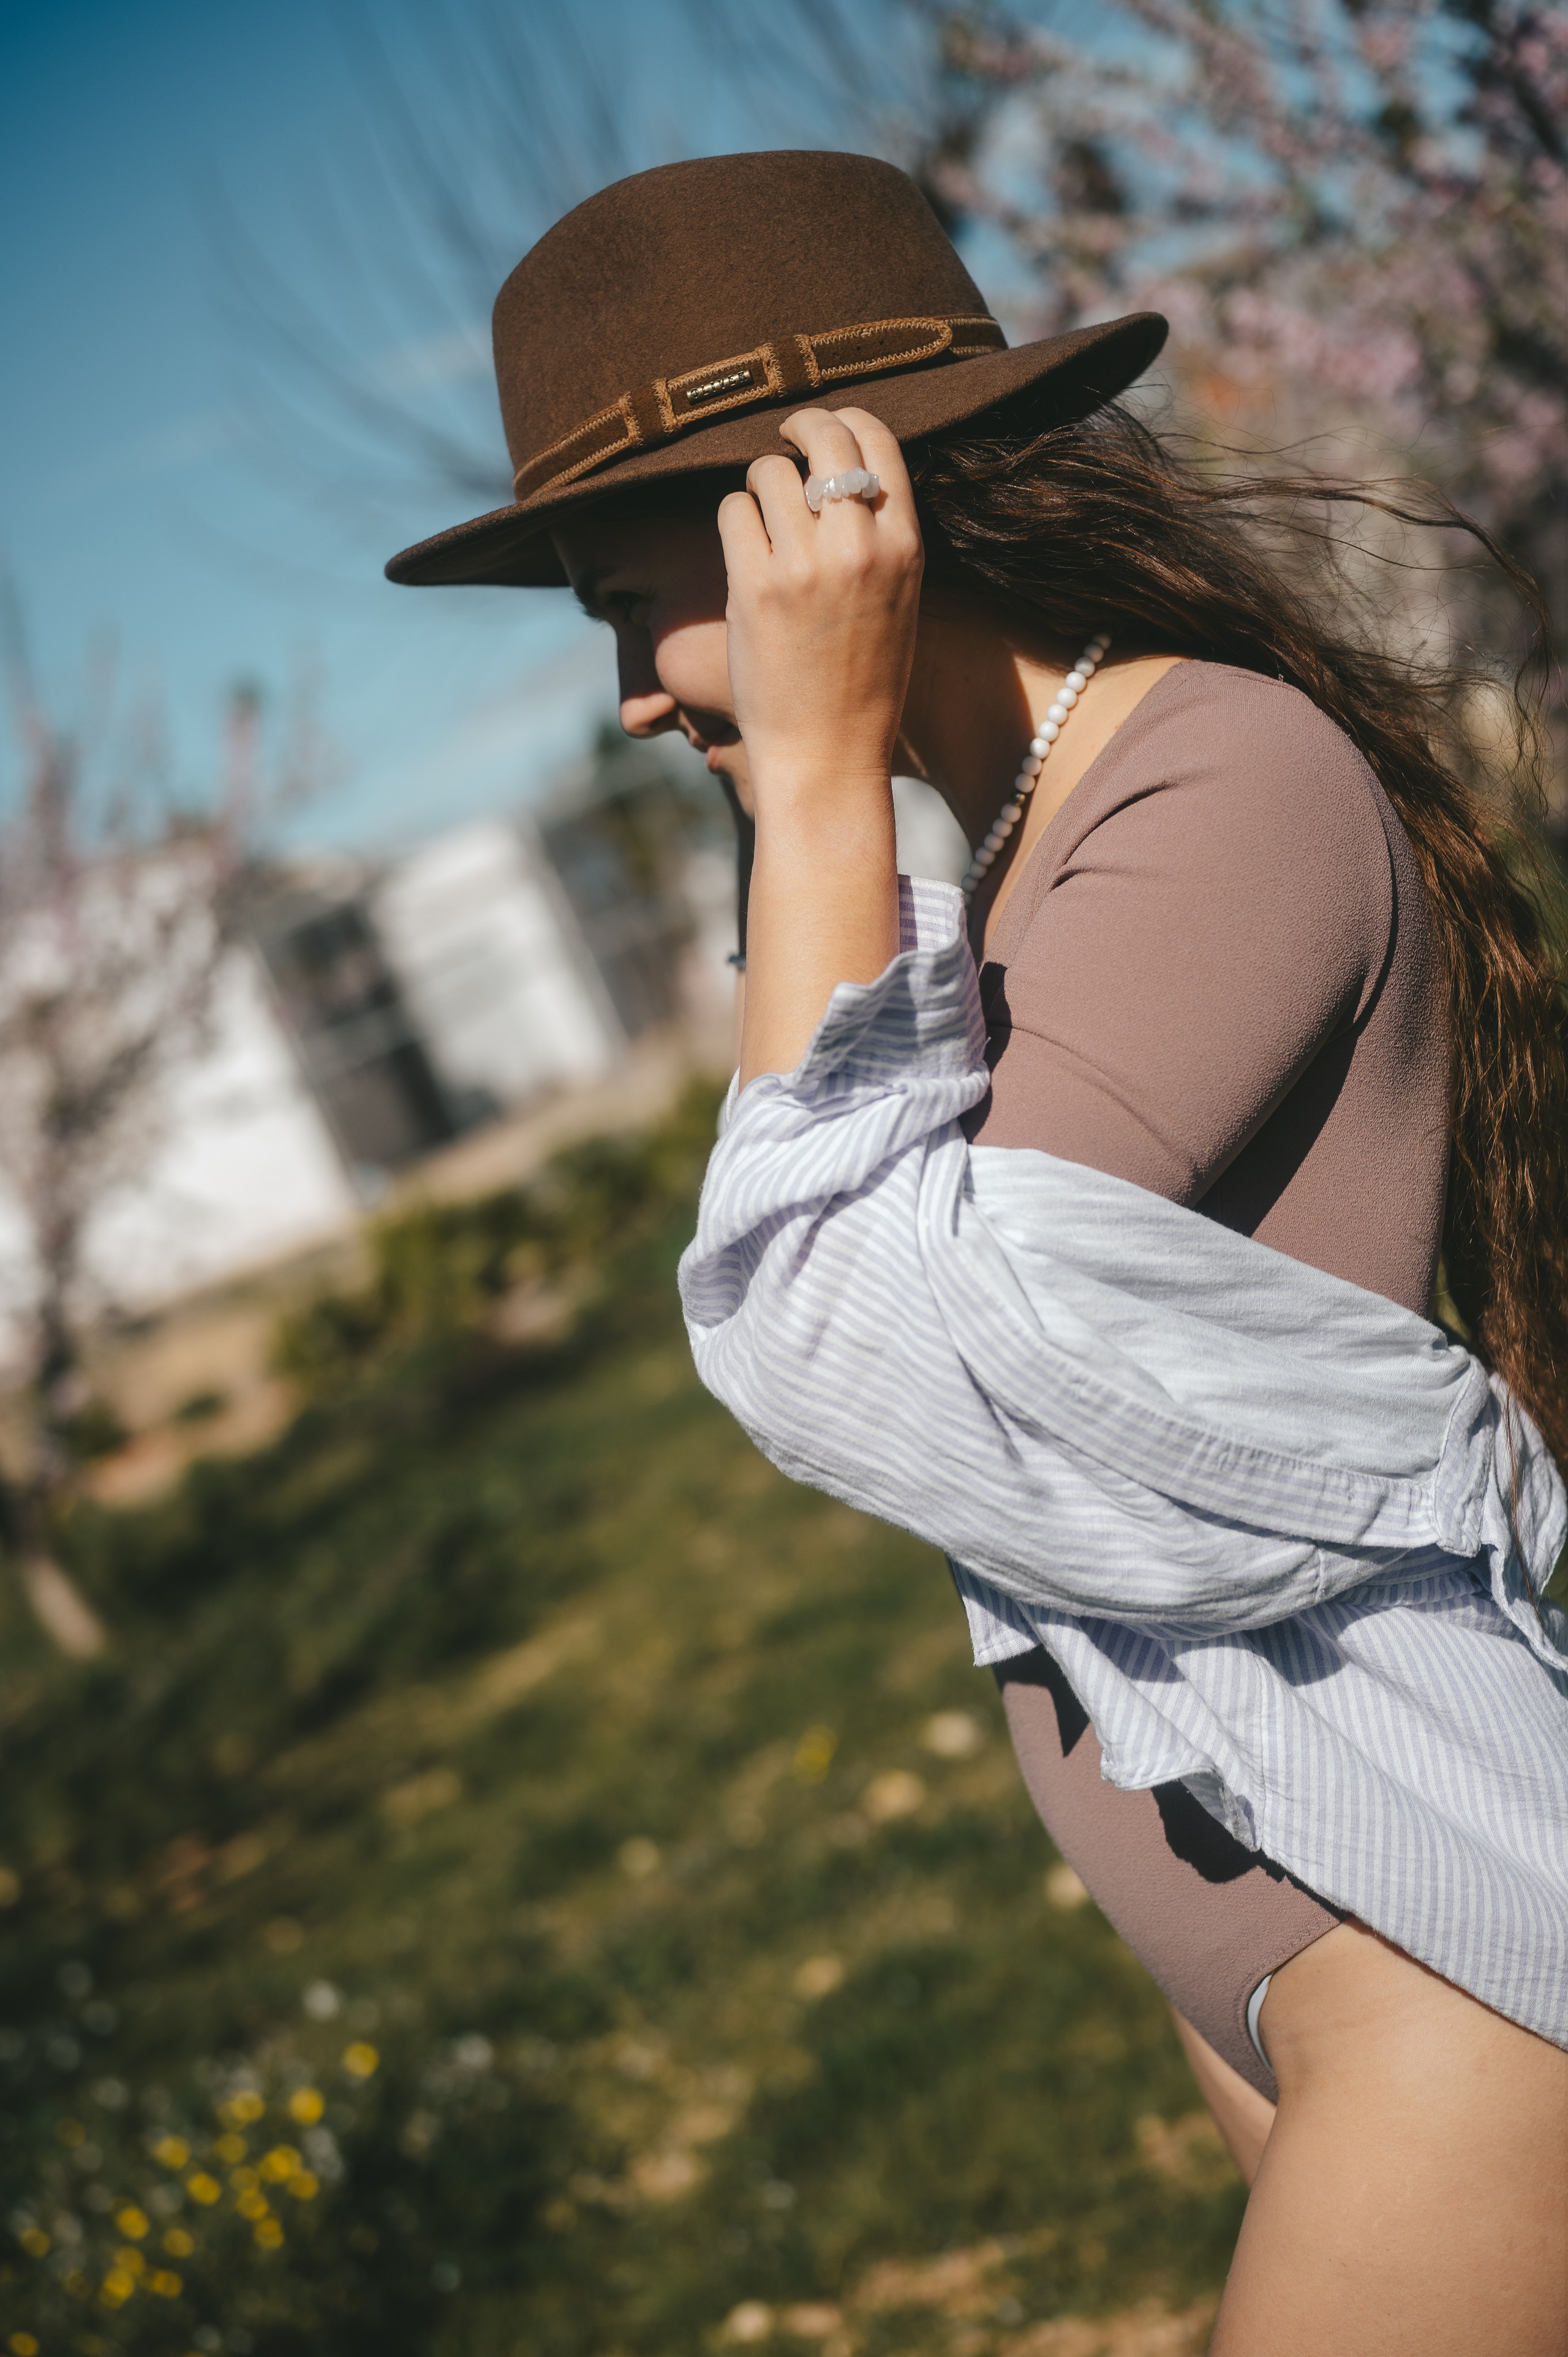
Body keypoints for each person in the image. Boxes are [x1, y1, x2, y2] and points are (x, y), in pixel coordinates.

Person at [387, 150, 1568, 2353]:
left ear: (832, 519)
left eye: (637, 595)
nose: (636, 693)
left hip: (1439, 1966)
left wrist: (824, 785)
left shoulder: (1216, 783)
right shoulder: (978, 858)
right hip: (1263, 1946)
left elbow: (852, 1338)